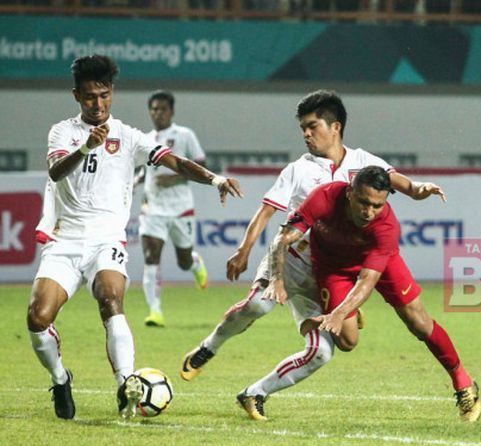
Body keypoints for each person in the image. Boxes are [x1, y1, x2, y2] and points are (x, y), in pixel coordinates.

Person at [179, 90, 447, 405]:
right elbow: (267, 212)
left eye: (312, 126)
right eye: (302, 128)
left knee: (322, 352)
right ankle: (209, 347)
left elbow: (404, 185)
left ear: (336, 127)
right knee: (258, 305)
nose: (306, 134)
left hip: (323, 274)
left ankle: (255, 394)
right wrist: (244, 249)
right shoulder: (298, 169)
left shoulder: (365, 162)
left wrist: (421, 189)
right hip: (288, 260)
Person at [27, 54, 242, 420]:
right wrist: (85, 148)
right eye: (91, 97)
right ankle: (61, 379)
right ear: (77, 95)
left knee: (111, 300)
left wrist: (215, 179)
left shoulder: (128, 136)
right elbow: (55, 171)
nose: (99, 104)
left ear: (112, 93)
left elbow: (174, 161)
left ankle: (127, 383)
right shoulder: (63, 132)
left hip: (106, 240)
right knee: (37, 317)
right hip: (65, 242)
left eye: (105, 95)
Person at [250, 166, 480, 422]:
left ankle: (463, 382)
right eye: (363, 202)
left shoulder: (386, 228)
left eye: (377, 206)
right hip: (333, 266)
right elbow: (283, 239)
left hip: (381, 263)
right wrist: (277, 280)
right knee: (347, 342)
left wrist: (339, 313)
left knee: (419, 324)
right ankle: (352, 309)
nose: (368, 212)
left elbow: (367, 280)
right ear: (350, 192)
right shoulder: (324, 197)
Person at [136, 90, 209, 328]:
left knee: (183, 261)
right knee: (150, 257)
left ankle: (195, 263)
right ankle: (154, 311)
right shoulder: (145, 139)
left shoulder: (184, 135)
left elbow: (201, 165)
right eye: (154, 109)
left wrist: (175, 178)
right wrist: (134, 181)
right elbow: (142, 169)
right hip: (153, 208)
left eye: (162, 109)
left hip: (180, 208)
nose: (158, 113)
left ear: (171, 111)